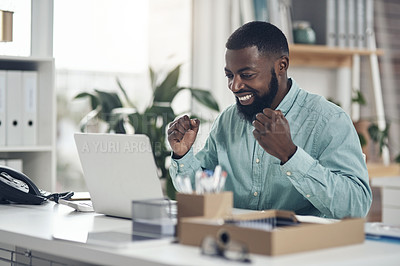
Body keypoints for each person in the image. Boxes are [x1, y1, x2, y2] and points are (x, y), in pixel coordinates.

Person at [167, 21, 372, 219]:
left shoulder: (329, 121)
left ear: (281, 66)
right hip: (236, 243)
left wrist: (290, 155)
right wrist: (183, 155)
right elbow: (203, 195)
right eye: (230, 75)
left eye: (247, 75)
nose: (235, 86)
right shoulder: (227, 121)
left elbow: (356, 207)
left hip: (301, 248)